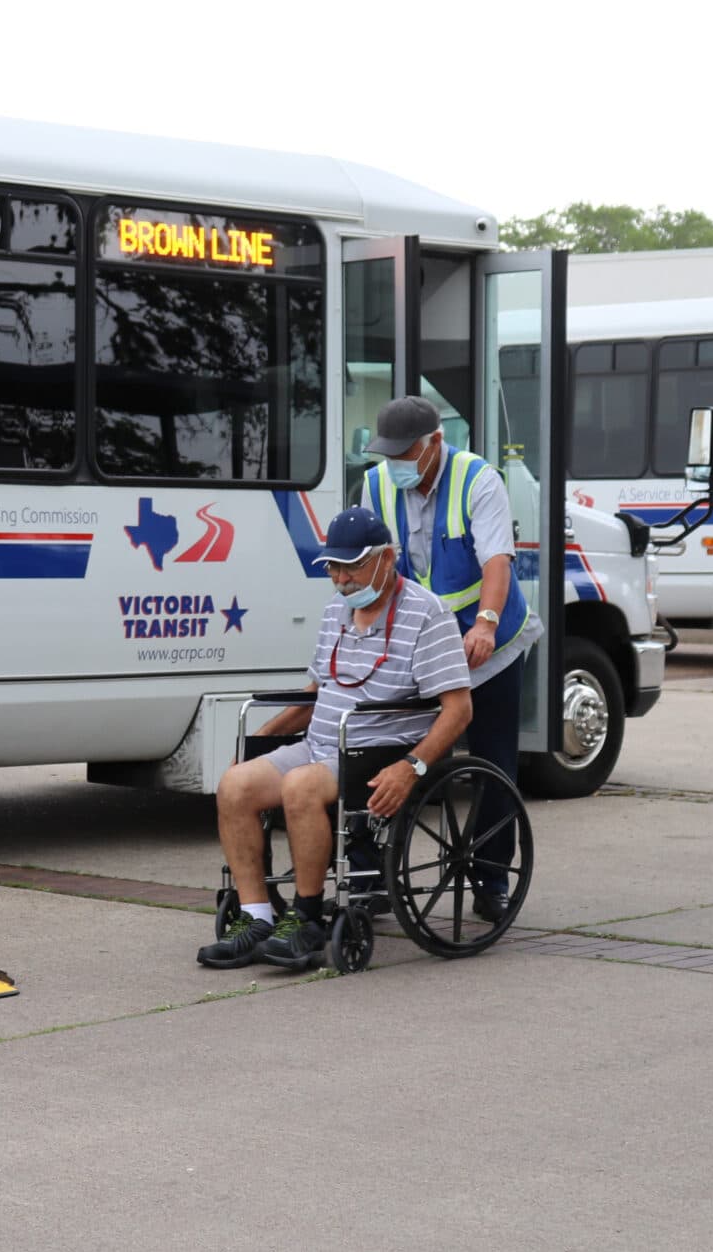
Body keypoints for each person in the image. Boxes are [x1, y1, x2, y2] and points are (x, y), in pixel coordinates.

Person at [199, 505, 473, 970]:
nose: (342, 579)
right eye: (334, 568)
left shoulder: (428, 615)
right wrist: (256, 744)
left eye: (353, 566)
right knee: (235, 785)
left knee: (300, 787)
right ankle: (257, 917)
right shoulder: (335, 611)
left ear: (387, 558)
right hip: (320, 745)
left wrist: (412, 767)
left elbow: (459, 709)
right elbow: (315, 695)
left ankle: (306, 919)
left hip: (376, 751)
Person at [361, 394, 540, 917]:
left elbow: (496, 561)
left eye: (405, 453)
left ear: (435, 442)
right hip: (419, 643)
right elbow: (375, 567)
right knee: (384, 750)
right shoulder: (376, 485)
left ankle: (491, 878)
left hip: (488, 644)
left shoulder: (478, 479)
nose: (395, 463)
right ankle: (371, 875)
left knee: (492, 761)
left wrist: (485, 623)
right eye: (388, 453)